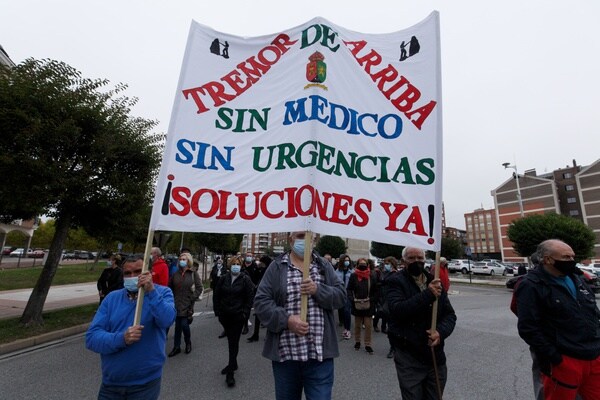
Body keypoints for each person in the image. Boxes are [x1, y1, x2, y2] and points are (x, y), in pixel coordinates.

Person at [254, 231, 346, 400]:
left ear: (315, 240)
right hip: (286, 357)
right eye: (300, 236)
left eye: (309, 236)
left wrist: (318, 290)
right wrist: (287, 320)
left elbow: (341, 296)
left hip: (319, 357)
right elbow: (261, 302)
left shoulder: (324, 266)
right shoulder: (277, 267)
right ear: (291, 240)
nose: (305, 241)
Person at [515, 239, 600, 400]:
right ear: (547, 259)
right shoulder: (531, 285)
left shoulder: (577, 278)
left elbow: (592, 312)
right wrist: (555, 357)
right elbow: (528, 327)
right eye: (566, 257)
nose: (571, 261)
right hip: (564, 360)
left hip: (593, 357)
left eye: (572, 257)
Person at [86, 255, 176, 400]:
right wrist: (121, 338)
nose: (133, 276)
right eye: (127, 273)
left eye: (138, 272)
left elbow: (167, 320)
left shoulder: (163, 293)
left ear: (148, 272)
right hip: (111, 385)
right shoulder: (111, 299)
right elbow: (92, 338)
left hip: (145, 385)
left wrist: (151, 292)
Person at [386, 246, 457, 399]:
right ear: (404, 261)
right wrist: (427, 295)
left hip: (434, 356)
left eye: (420, 258)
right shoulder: (395, 281)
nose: (416, 261)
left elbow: (450, 315)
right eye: (412, 258)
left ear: (425, 260)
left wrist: (440, 332)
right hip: (409, 355)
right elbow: (397, 310)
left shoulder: (435, 282)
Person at [213, 255, 255, 388]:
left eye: (238, 263)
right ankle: (234, 363)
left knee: (233, 343)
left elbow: (250, 298)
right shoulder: (224, 278)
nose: (236, 265)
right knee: (231, 341)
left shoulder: (245, 279)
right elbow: (216, 295)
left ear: (241, 265)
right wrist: (217, 312)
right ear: (230, 265)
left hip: (238, 316)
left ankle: (230, 372)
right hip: (224, 316)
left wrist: (245, 314)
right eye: (233, 263)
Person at [167, 252, 203, 357]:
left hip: (187, 304)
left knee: (184, 325)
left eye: (184, 259)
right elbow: (170, 287)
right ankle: (176, 347)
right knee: (177, 326)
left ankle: (188, 342)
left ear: (189, 261)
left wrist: (192, 297)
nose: (182, 261)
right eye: (180, 259)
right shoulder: (175, 274)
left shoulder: (193, 273)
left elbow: (199, 287)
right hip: (176, 303)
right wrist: (171, 298)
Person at [347, 257, 377, 354]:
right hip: (357, 304)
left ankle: (368, 344)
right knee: (357, 325)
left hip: (369, 304)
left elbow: (376, 290)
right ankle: (357, 341)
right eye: (361, 264)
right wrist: (352, 298)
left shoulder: (372, 275)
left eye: (364, 264)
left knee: (368, 325)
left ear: (368, 265)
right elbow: (349, 289)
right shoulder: (353, 275)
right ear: (357, 265)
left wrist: (372, 299)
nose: (363, 266)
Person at [247, 254, 272, 342]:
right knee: (258, 314)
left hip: (268, 295)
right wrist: (257, 269)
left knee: (268, 316)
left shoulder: (270, 270)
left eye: (261, 262)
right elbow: (256, 278)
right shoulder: (261, 269)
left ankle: (268, 336)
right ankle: (255, 334)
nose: (260, 263)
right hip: (260, 294)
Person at [335, 254, 353, 340]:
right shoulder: (337, 272)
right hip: (339, 294)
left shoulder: (351, 272)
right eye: (345, 260)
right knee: (341, 310)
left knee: (347, 311)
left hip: (348, 294)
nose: (347, 262)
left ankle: (347, 329)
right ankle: (343, 323)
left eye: (348, 260)